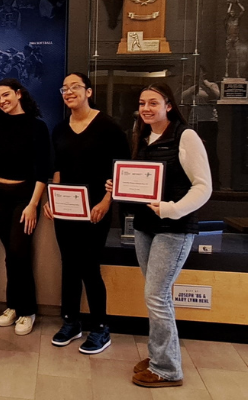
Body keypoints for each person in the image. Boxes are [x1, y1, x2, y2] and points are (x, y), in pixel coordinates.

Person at [105, 84, 211, 387]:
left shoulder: (185, 136)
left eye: (154, 102)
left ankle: (167, 369)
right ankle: (160, 356)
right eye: (142, 103)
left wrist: (171, 209)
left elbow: (203, 187)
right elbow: (140, 184)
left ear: (169, 105)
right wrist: (118, 188)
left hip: (174, 228)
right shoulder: (142, 136)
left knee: (156, 295)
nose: (147, 108)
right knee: (157, 296)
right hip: (144, 226)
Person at [42, 72, 130, 354]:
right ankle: (71, 321)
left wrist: (106, 202)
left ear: (89, 91)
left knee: (90, 267)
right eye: (64, 88)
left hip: (95, 209)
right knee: (68, 265)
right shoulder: (59, 128)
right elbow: (56, 169)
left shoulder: (109, 127)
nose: (69, 92)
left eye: (75, 87)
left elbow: (121, 170)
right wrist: (53, 198)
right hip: (66, 208)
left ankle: (101, 327)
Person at [0, 78, 51, 336]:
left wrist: (32, 204)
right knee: (10, 255)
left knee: (19, 253)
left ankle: (28, 310)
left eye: (6, 95)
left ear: (18, 94)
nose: (2, 101)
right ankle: (12, 305)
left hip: (23, 198)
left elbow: (43, 170)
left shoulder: (37, 126)